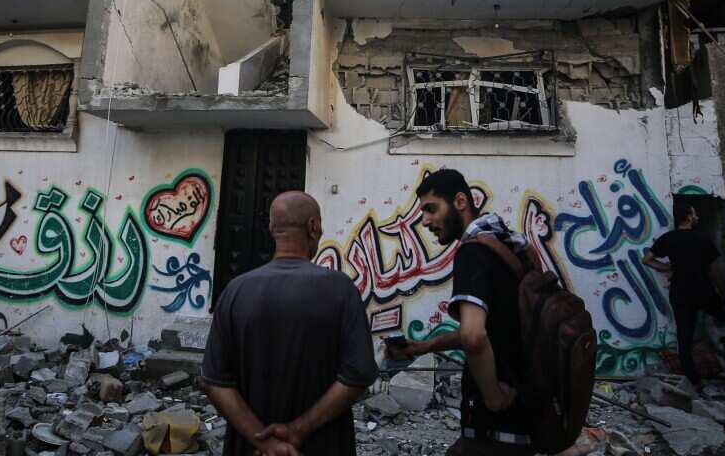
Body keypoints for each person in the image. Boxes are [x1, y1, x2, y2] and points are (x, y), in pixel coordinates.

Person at [201, 192, 378, 456]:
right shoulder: (341, 289)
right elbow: (359, 374)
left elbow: (214, 380)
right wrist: (298, 429)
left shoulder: (235, 291)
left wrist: (262, 440)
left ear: (272, 229)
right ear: (313, 226)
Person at [387, 169, 526, 455]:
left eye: (431, 209)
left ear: (460, 201)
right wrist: (426, 345)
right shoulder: (503, 244)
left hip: (495, 423)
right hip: (522, 409)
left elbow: (474, 337)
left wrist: (493, 398)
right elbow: (488, 328)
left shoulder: (472, 254)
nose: (425, 221)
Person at [643, 203, 725, 389]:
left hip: (680, 292)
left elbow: (647, 260)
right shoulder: (702, 239)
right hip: (703, 290)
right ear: (688, 217)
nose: (697, 217)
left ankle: (694, 381)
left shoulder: (668, 238)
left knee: (684, 336)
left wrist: (667, 267)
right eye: (694, 214)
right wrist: (723, 291)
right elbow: (714, 269)